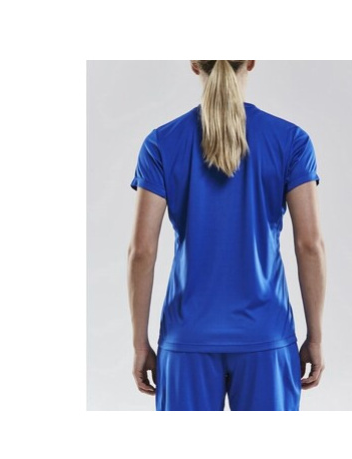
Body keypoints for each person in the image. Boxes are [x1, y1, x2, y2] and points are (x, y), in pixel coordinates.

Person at [127, 60, 326, 411]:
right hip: (266, 334)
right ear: (250, 61)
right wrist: (316, 337)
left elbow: (142, 250)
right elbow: (309, 245)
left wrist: (140, 343)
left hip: (187, 336)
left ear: (194, 64)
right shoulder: (291, 140)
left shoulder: (161, 143)